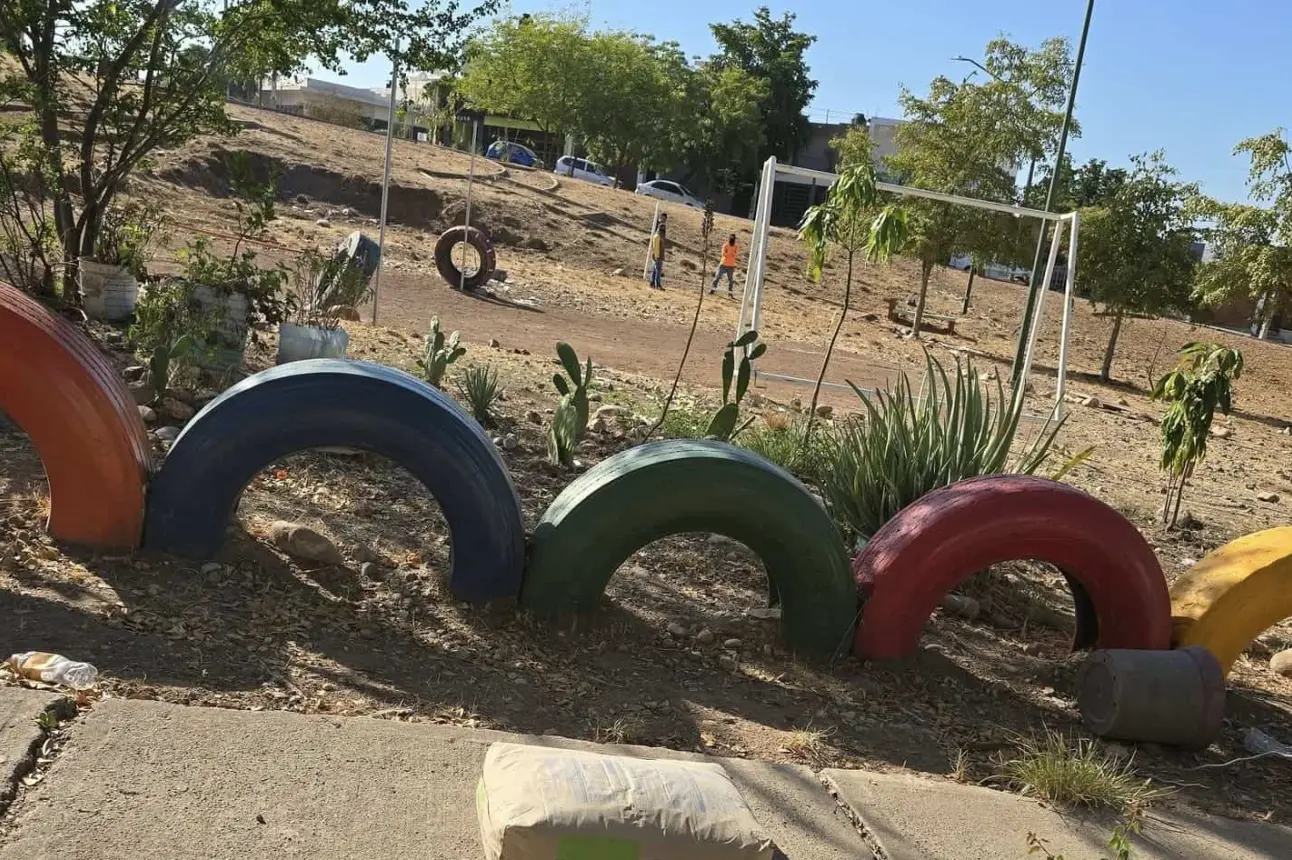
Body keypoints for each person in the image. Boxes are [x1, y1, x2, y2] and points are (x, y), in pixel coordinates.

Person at [648, 213, 667, 289]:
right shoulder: (662, 227)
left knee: (655, 268)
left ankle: (652, 283)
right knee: (658, 269)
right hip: (658, 252)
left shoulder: (657, 228)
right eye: (662, 218)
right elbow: (661, 239)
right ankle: (657, 284)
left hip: (656, 251)